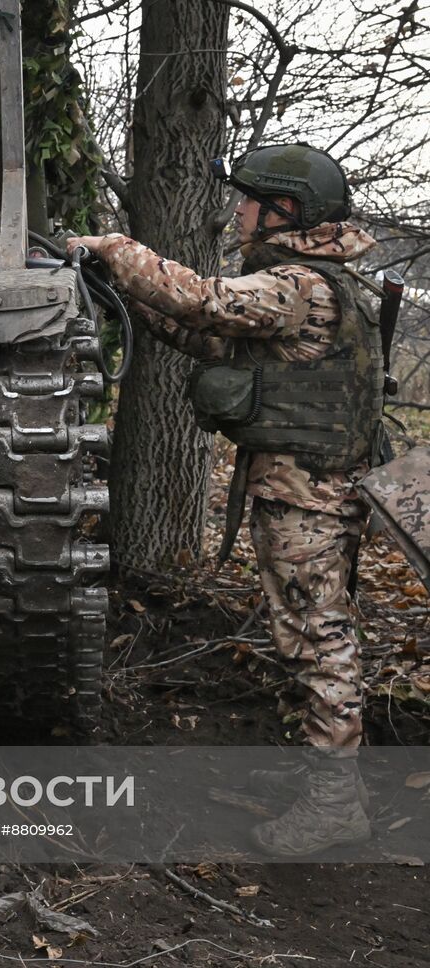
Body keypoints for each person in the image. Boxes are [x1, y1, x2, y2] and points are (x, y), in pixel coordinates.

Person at [67, 143, 382, 857]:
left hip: (310, 497)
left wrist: (118, 251)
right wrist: (133, 301)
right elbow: (208, 334)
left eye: (250, 200)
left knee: (316, 638)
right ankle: (333, 782)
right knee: (309, 630)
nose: (238, 211)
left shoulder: (302, 285)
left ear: (286, 211)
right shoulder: (310, 285)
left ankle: (334, 805)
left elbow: (209, 303)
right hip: (308, 489)